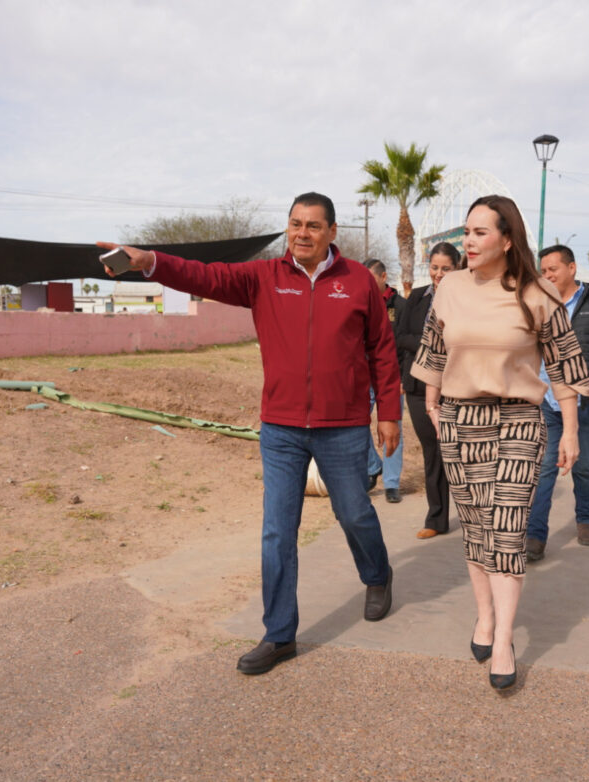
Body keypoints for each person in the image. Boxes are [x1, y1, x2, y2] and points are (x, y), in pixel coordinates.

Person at [97, 192, 397, 676]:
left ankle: (378, 574)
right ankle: (279, 634)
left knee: (355, 513)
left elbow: (381, 349)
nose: (302, 233)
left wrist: (389, 413)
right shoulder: (264, 278)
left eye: (313, 226)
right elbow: (204, 274)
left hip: (342, 425)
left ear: (332, 232)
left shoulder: (358, 281)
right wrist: (150, 261)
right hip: (280, 427)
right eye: (295, 224)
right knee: (277, 531)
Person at [411, 195, 589, 691]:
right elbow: (433, 346)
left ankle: (505, 638)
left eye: (479, 233)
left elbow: (565, 365)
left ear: (507, 239)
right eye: (465, 232)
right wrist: (432, 404)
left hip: (518, 420)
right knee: (474, 524)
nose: (467, 241)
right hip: (460, 417)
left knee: (507, 528)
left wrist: (571, 430)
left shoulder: (539, 294)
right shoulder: (449, 287)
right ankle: (484, 617)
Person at [525, 246, 589, 561]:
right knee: (544, 468)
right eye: (542, 271)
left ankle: (585, 519)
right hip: (547, 400)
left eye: (552, 269)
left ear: (572, 268)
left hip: (586, 401)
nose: (547, 276)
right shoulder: (539, 302)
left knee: (583, 465)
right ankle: (535, 534)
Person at [398, 242, 461, 538]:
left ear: (457, 268)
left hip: (454, 386)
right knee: (432, 451)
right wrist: (431, 345)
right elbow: (400, 336)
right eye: (434, 267)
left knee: (456, 451)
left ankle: (475, 514)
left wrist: (427, 343)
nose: (438, 274)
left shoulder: (465, 300)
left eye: (445, 268)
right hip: (418, 387)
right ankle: (436, 519)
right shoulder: (418, 297)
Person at [364, 258, 406, 502]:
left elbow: (405, 344)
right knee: (356, 424)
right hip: (363, 377)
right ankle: (372, 466)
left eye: (370, 280)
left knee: (393, 429)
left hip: (392, 379)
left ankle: (391, 484)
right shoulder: (359, 302)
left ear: (383, 277)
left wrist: (401, 377)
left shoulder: (401, 306)